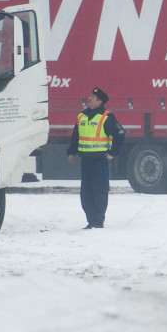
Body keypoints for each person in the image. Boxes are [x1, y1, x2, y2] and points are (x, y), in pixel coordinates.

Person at [67, 87, 125, 229]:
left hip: (99, 161)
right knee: (86, 193)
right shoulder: (82, 116)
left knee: (99, 191)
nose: (89, 98)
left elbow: (120, 134)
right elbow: (76, 136)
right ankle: (91, 220)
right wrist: (71, 152)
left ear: (99, 101)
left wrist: (113, 153)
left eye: (93, 96)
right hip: (86, 161)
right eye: (90, 95)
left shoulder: (106, 117)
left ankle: (98, 222)